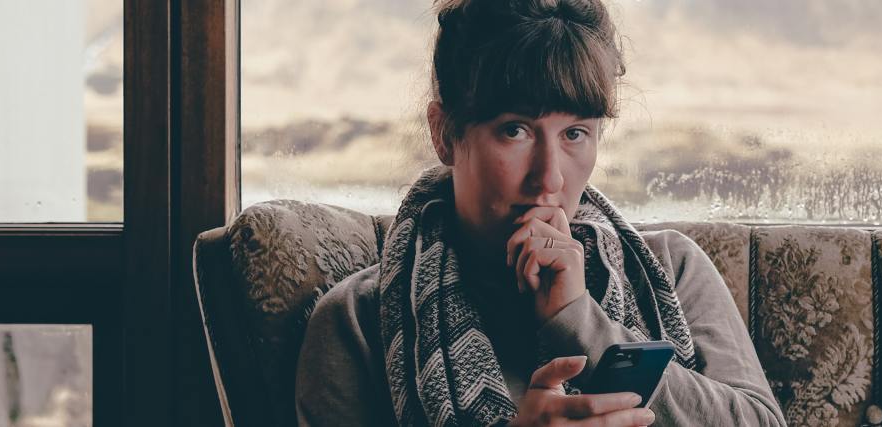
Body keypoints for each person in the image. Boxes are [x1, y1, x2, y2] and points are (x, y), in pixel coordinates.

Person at [296, 0, 785, 425]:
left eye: (575, 133)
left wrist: (580, 322)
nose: (550, 179)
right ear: (444, 134)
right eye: (515, 130)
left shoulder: (671, 269)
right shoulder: (357, 320)